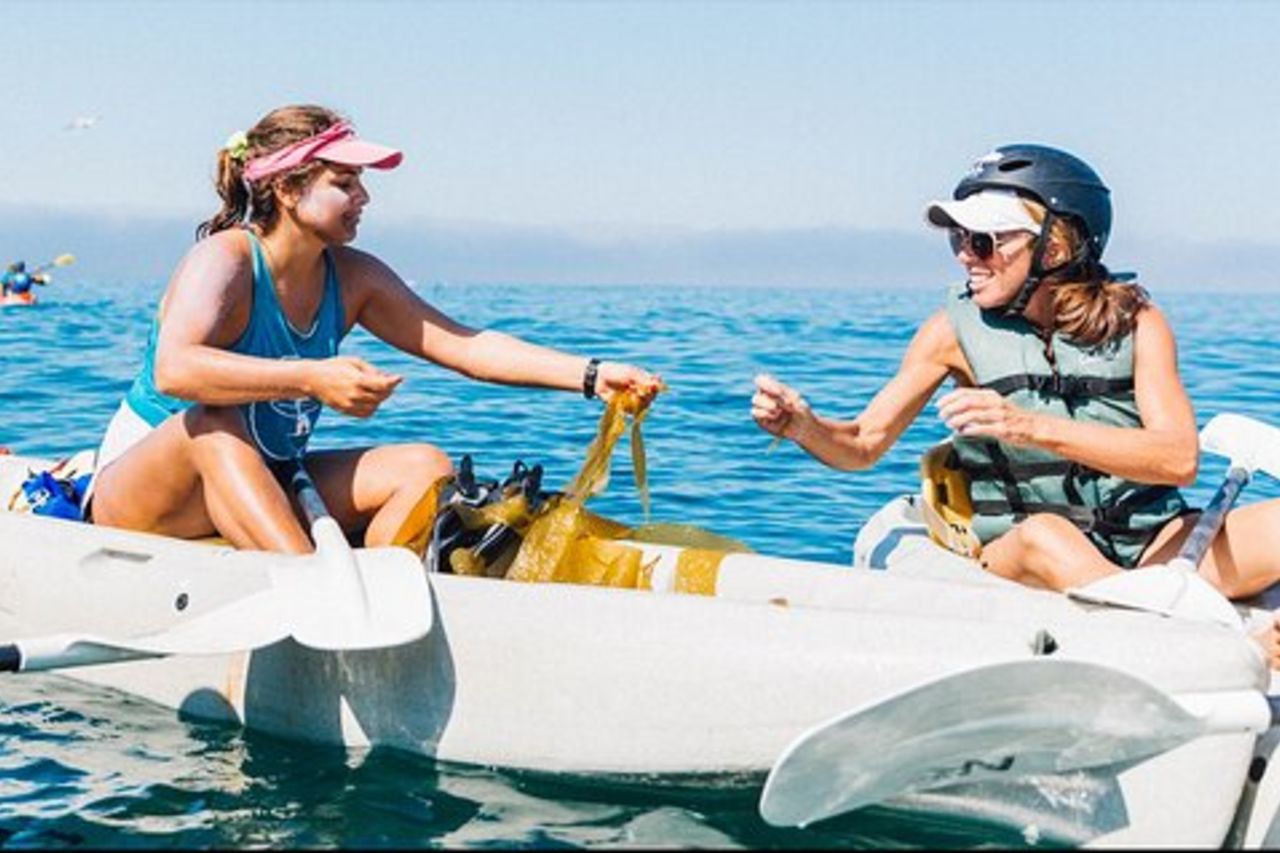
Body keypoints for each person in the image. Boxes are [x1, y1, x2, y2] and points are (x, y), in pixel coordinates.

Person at [751, 143, 1280, 664]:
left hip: (1150, 542)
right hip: (1021, 551)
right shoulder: (949, 333)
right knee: (1049, 536)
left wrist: (1026, 425)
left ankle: (1158, 617)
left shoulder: (1139, 323)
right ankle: (1213, 653)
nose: (965, 255)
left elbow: (1177, 459)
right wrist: (804, 426)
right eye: (959, 238)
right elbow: (863, 444)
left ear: (1054, 247)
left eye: (984, 241)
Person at [87, 104, 659, 555]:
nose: (364, 198)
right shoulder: (226, 259)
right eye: (345, 183)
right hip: (148, 491)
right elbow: (177, 368)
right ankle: (312, 586)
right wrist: (311, 377)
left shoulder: (353, 277)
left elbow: (464, 345)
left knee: (424, 466)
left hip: (267, 476)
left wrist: (591, 376)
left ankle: (392, 582)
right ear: (288, 189)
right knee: (216, 421)